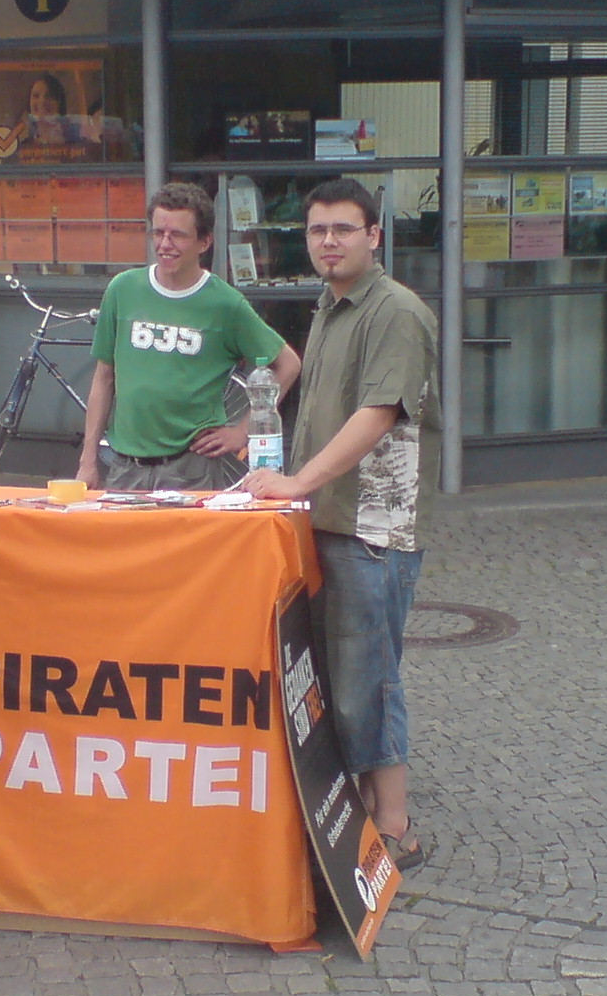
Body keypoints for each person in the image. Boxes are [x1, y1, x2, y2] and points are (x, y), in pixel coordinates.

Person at [241, 177, 437, 870]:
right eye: (317, 230)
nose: (328, 241)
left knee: (367, 679)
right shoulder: (330, 307)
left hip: (372, 529)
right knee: (339, 678)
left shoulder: (395, 312)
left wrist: (299, 482)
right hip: (330, 518)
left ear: (374, 235)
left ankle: (396, 825)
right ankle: (359, 804)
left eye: (343, 229)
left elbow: (377, 415)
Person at [77, 181, 299, 492]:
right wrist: (87, 461)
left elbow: (288, 364)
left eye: (178, 235)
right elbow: (103, 378)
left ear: (204, 242)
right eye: (158, 233)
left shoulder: (225, 304)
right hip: (125, 468)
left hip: (190, 469)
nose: (165, 244)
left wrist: (241, 432)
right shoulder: (122, 289)